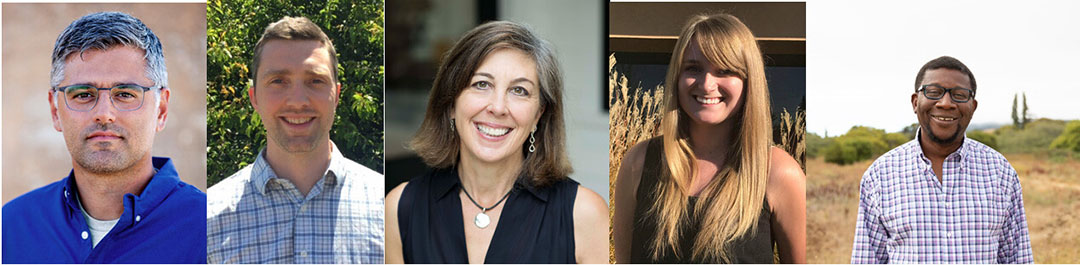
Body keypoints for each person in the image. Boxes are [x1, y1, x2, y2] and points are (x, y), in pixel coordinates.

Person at [384, 21, 608, 264]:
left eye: (519, 90)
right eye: (482, 84)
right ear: (450, 103)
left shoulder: (584, 214)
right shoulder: (400, 209)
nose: (498, 107)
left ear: (538, 115)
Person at [1, 12, 206, 263]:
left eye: (126, 94)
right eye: (83, 94)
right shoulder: (11, 227)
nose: (104, 114)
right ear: (55, 110)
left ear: (161, 109)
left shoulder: (210, 228)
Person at [612, 13, 806, 264]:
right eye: (693, 68)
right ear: (677, 77)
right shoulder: (639, 162)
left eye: (725, 70)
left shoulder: (778, 172)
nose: (706, 84)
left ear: (749, 81)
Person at [205, 16, 385, 264]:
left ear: (336, 95)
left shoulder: (388, 209)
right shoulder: (208, 219)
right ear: (254, 97)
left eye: (316, 81)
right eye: (278, 81)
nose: (298, 100)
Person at [850, 56, 1033, 263]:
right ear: (915, 102)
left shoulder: (1001, 173)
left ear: (972, 106)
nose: (946, 103)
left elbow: (1017, 259)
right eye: (934, 92)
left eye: (959, 95)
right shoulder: (880, 176)